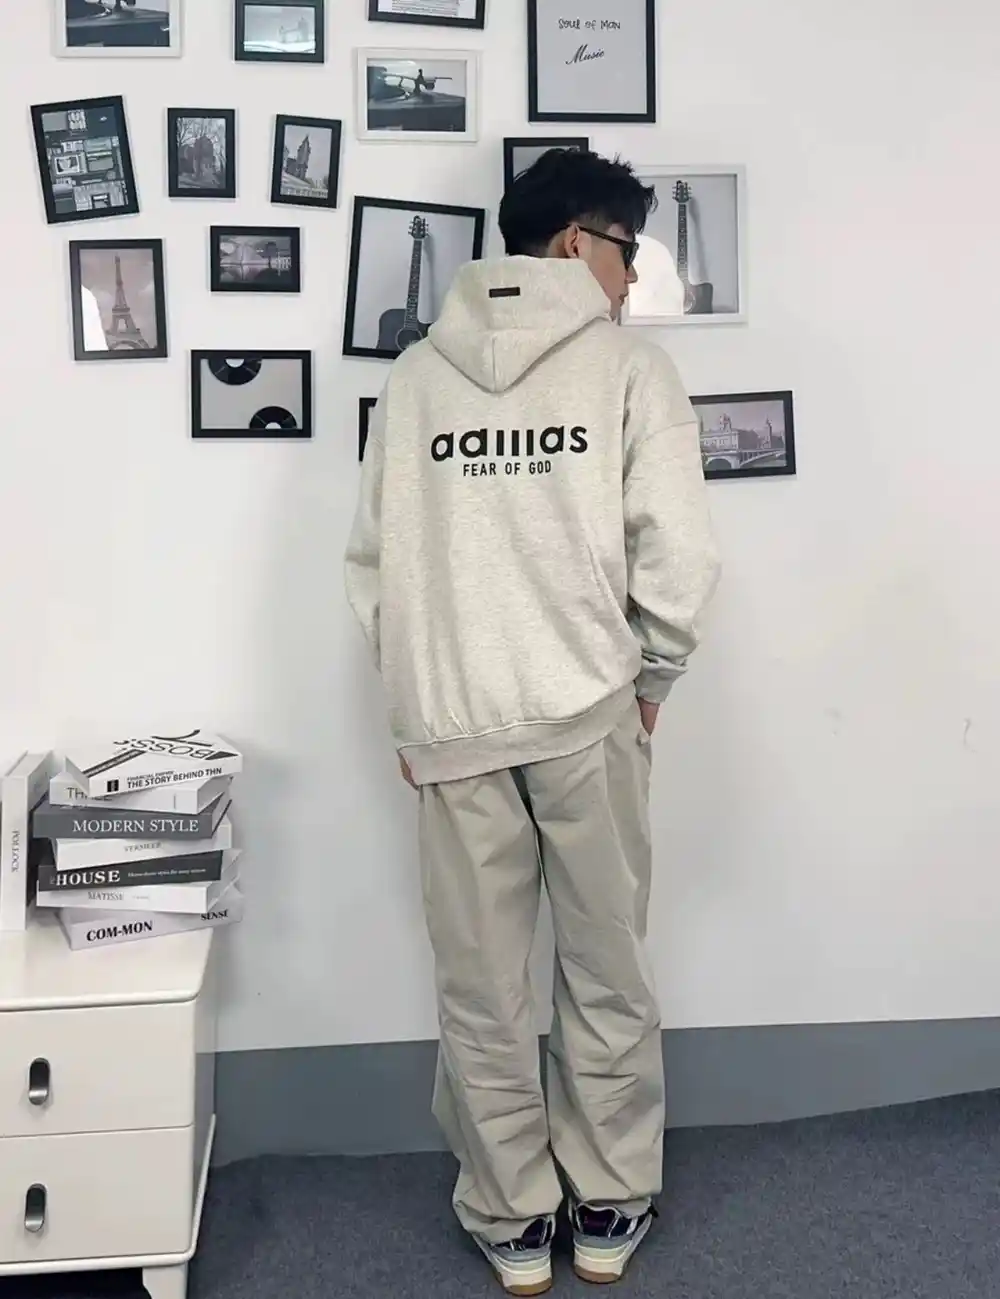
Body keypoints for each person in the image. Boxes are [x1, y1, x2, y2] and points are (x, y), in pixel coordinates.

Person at [344, 148, 720, 1294]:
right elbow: (678, 548)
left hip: (453, 726)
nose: (630, 279)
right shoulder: (628, 369)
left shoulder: (416, 377)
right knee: (604, 970)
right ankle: (608, 1197)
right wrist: (654, 675)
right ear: (573, 242)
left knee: (482, 986)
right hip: (589, 715)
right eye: (626, 252)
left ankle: (512, 1217)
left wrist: (414, 711)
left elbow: (374, 565)